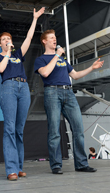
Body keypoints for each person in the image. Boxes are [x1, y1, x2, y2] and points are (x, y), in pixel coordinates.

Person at [34, 29, 104, 174]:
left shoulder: (62, 60)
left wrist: (92, 68)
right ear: (44, 41)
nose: (55, 40)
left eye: (55, 38)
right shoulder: (41, 59)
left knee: (78, 129)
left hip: (68, 92)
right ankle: (56, 165)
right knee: (54, 131)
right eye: (51, 38)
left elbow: (76, 75)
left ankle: (81, 164)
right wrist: (57, 55)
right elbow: (46, 72)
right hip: (52, 92)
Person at [0, 7, 45, 181]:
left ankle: (19, 167)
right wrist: (6, 53)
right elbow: (1, 69)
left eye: (9, 39)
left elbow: (29, 38)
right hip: (8, 87)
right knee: (9, 129)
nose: (7, 40)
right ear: (0, 43)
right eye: (4, 39)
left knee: (19, 130)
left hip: (23, 88)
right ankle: (11, 169)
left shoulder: (18, 54)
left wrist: (35, 18)